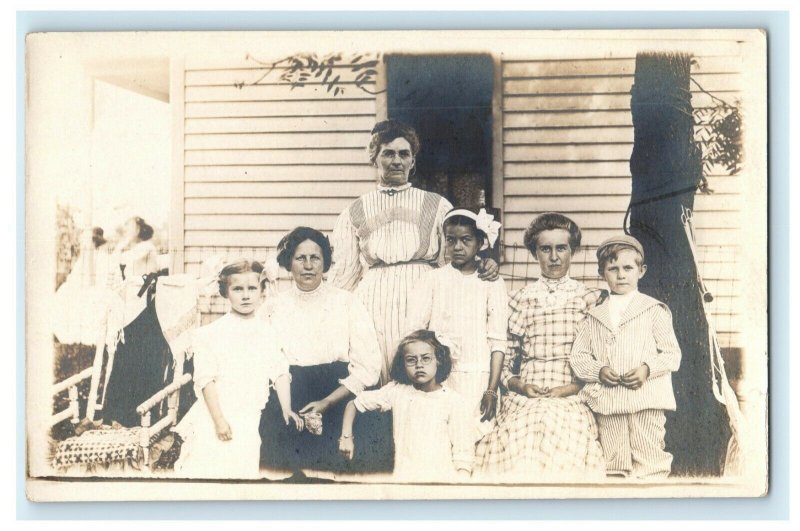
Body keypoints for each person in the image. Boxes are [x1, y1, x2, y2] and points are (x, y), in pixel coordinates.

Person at [327, 120, 498, 382]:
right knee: (378, 370)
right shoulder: (354, 211)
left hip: (425, 293)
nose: (396, 161)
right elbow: (345, 273)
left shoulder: (437, 205)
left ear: (413, 160)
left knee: (421, 368)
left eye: (404, 154)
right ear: (374, 158)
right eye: (388, 153)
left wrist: (485, 264)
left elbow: (454, 256)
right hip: (373, 300)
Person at [474, 213, 606, 480]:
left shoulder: (589, 299)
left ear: (573, 251)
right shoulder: (521, 299)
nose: (554, 257)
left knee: (559, 432)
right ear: (535, 253)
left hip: (572, 393)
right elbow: (507, 357)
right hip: (528, 393)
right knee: (522, 435)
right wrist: (519, 385)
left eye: (561, 248)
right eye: (545, 249)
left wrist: (571, 387)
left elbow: (598, 358)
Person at [259, 227, 385, 475]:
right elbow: (263, 360)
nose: (308, 266)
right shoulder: (273, 307)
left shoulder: (347, 302)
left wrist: (328, 402)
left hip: (337, 394)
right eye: (300, 258)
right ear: (289, 263)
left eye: (315, 258)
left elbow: (368, 366)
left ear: (325, 262)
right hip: (288, 395)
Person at [174, 260, 302, 479]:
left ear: (262, 291)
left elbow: (279, 371)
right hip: (216, 415)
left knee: (242, 472)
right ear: (225, 292)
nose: (246, 296)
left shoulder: (268, 332)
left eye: (252, 288)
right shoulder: (211, 334)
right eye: (237, 289)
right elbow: (206, 380)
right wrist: (218, 420)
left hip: (249, 418)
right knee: (208, 471)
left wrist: (286, 408)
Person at [570, 235, 682, 479]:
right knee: (613, 463)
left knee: (650, 458)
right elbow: (578, 357)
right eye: (613, 269)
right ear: (602, 273)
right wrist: (598, 370)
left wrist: (646, 369)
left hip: (646, 400)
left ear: (641, 271)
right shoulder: (595, 316)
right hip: (608, 403)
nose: (621, 275)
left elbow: (672, 354)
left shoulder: (653, 310)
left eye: (628, 268)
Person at [405, 207, 508, 435]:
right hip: (439, 378)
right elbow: (415, 332)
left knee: (472, 435)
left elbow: (498, 342)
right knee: (438, 435)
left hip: (477, 378)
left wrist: (491, 390)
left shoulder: (492, 282)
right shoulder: (432, 280)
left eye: (466, 240)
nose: (457, 247)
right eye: (451, 240)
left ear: (480, 242)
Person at [339, 330, 476, 482]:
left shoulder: (454, 401)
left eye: (426, 358)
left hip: (442, 484)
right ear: (403, 364)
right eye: (411, 360)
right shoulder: (398, 391)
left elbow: (463, 457)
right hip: (404, 481)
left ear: (438, 360)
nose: (419, 365)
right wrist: (346, 437)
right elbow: (354, 404)